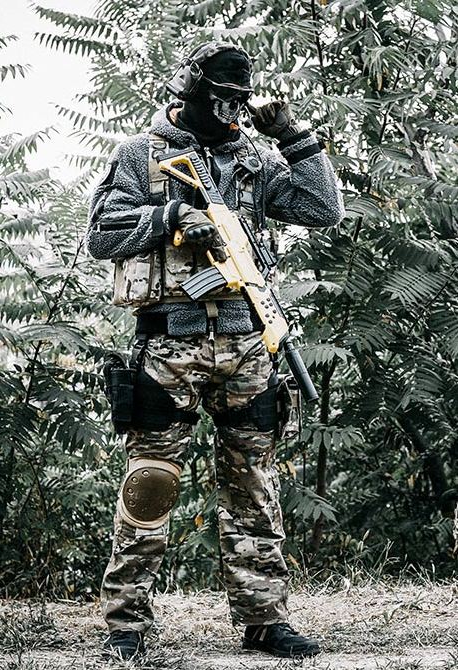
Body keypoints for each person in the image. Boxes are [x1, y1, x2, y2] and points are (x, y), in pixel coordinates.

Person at [86, 41, 344, 661]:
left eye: (241, 100)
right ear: (190, 91)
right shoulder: (141, 153)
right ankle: (126, 623)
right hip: (168, 343)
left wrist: (293, 137)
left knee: (253, 486)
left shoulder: (254, 156)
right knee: (151, 483)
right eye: (221, 98)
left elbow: (323, 209)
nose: (233, 111)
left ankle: (264, 619)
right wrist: (171, 216)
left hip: (247, 341)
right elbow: (100, 234)